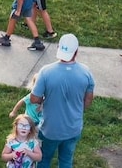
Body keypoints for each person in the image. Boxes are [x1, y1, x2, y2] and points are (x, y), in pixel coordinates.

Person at [29, 34, 94, 168]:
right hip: (73, 128)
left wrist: (44, 99)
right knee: (66, 160)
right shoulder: (86, 72)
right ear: (76, 52)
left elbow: (34, 98)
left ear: (58, 48)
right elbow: (87, 102)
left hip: (50, 129)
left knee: (44, 159)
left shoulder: (46, 72)